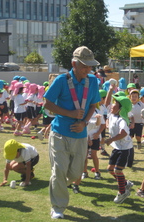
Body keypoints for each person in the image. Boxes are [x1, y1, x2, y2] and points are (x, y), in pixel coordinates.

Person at [44, 46, 100, 219]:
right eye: (85, 66)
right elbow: (47, 104)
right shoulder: (61, 80)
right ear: (73, 63)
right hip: (60, 132)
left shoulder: (93, 81)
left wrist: (83, 123)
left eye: (90, 66)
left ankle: (57, 183)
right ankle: (58, 207)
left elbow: (92, 105)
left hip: (80, 135)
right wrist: (70, 114)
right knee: (59, 170)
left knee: (76, 174)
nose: (88, 69)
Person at [105, 95, 134, 204]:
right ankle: (125, 184)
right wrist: (110, 89)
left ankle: (122, 193)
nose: (112, 105)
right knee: (110, 169)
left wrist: (111, 139)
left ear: (121, 108)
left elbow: (124, 133)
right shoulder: (112, 115)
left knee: (118, 170)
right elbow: (107, 106)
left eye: (115, 104)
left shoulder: (122, 119)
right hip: (117, 147)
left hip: (125, 149)